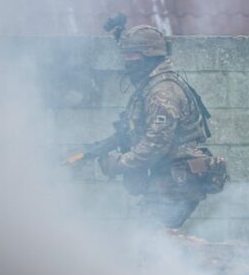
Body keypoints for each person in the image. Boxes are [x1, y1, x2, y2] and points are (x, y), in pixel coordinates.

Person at [96, 24, 225, 228]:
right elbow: (135, 130)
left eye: (132, 56)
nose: (127, 62)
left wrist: (119, 163)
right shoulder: (151, 86)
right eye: (126, 56)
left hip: (177, 181)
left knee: (148, 238)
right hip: (169, 178)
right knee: (150, 238)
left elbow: (155, 143)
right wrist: (105, 145)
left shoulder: (162, 91)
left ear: (149, 56)